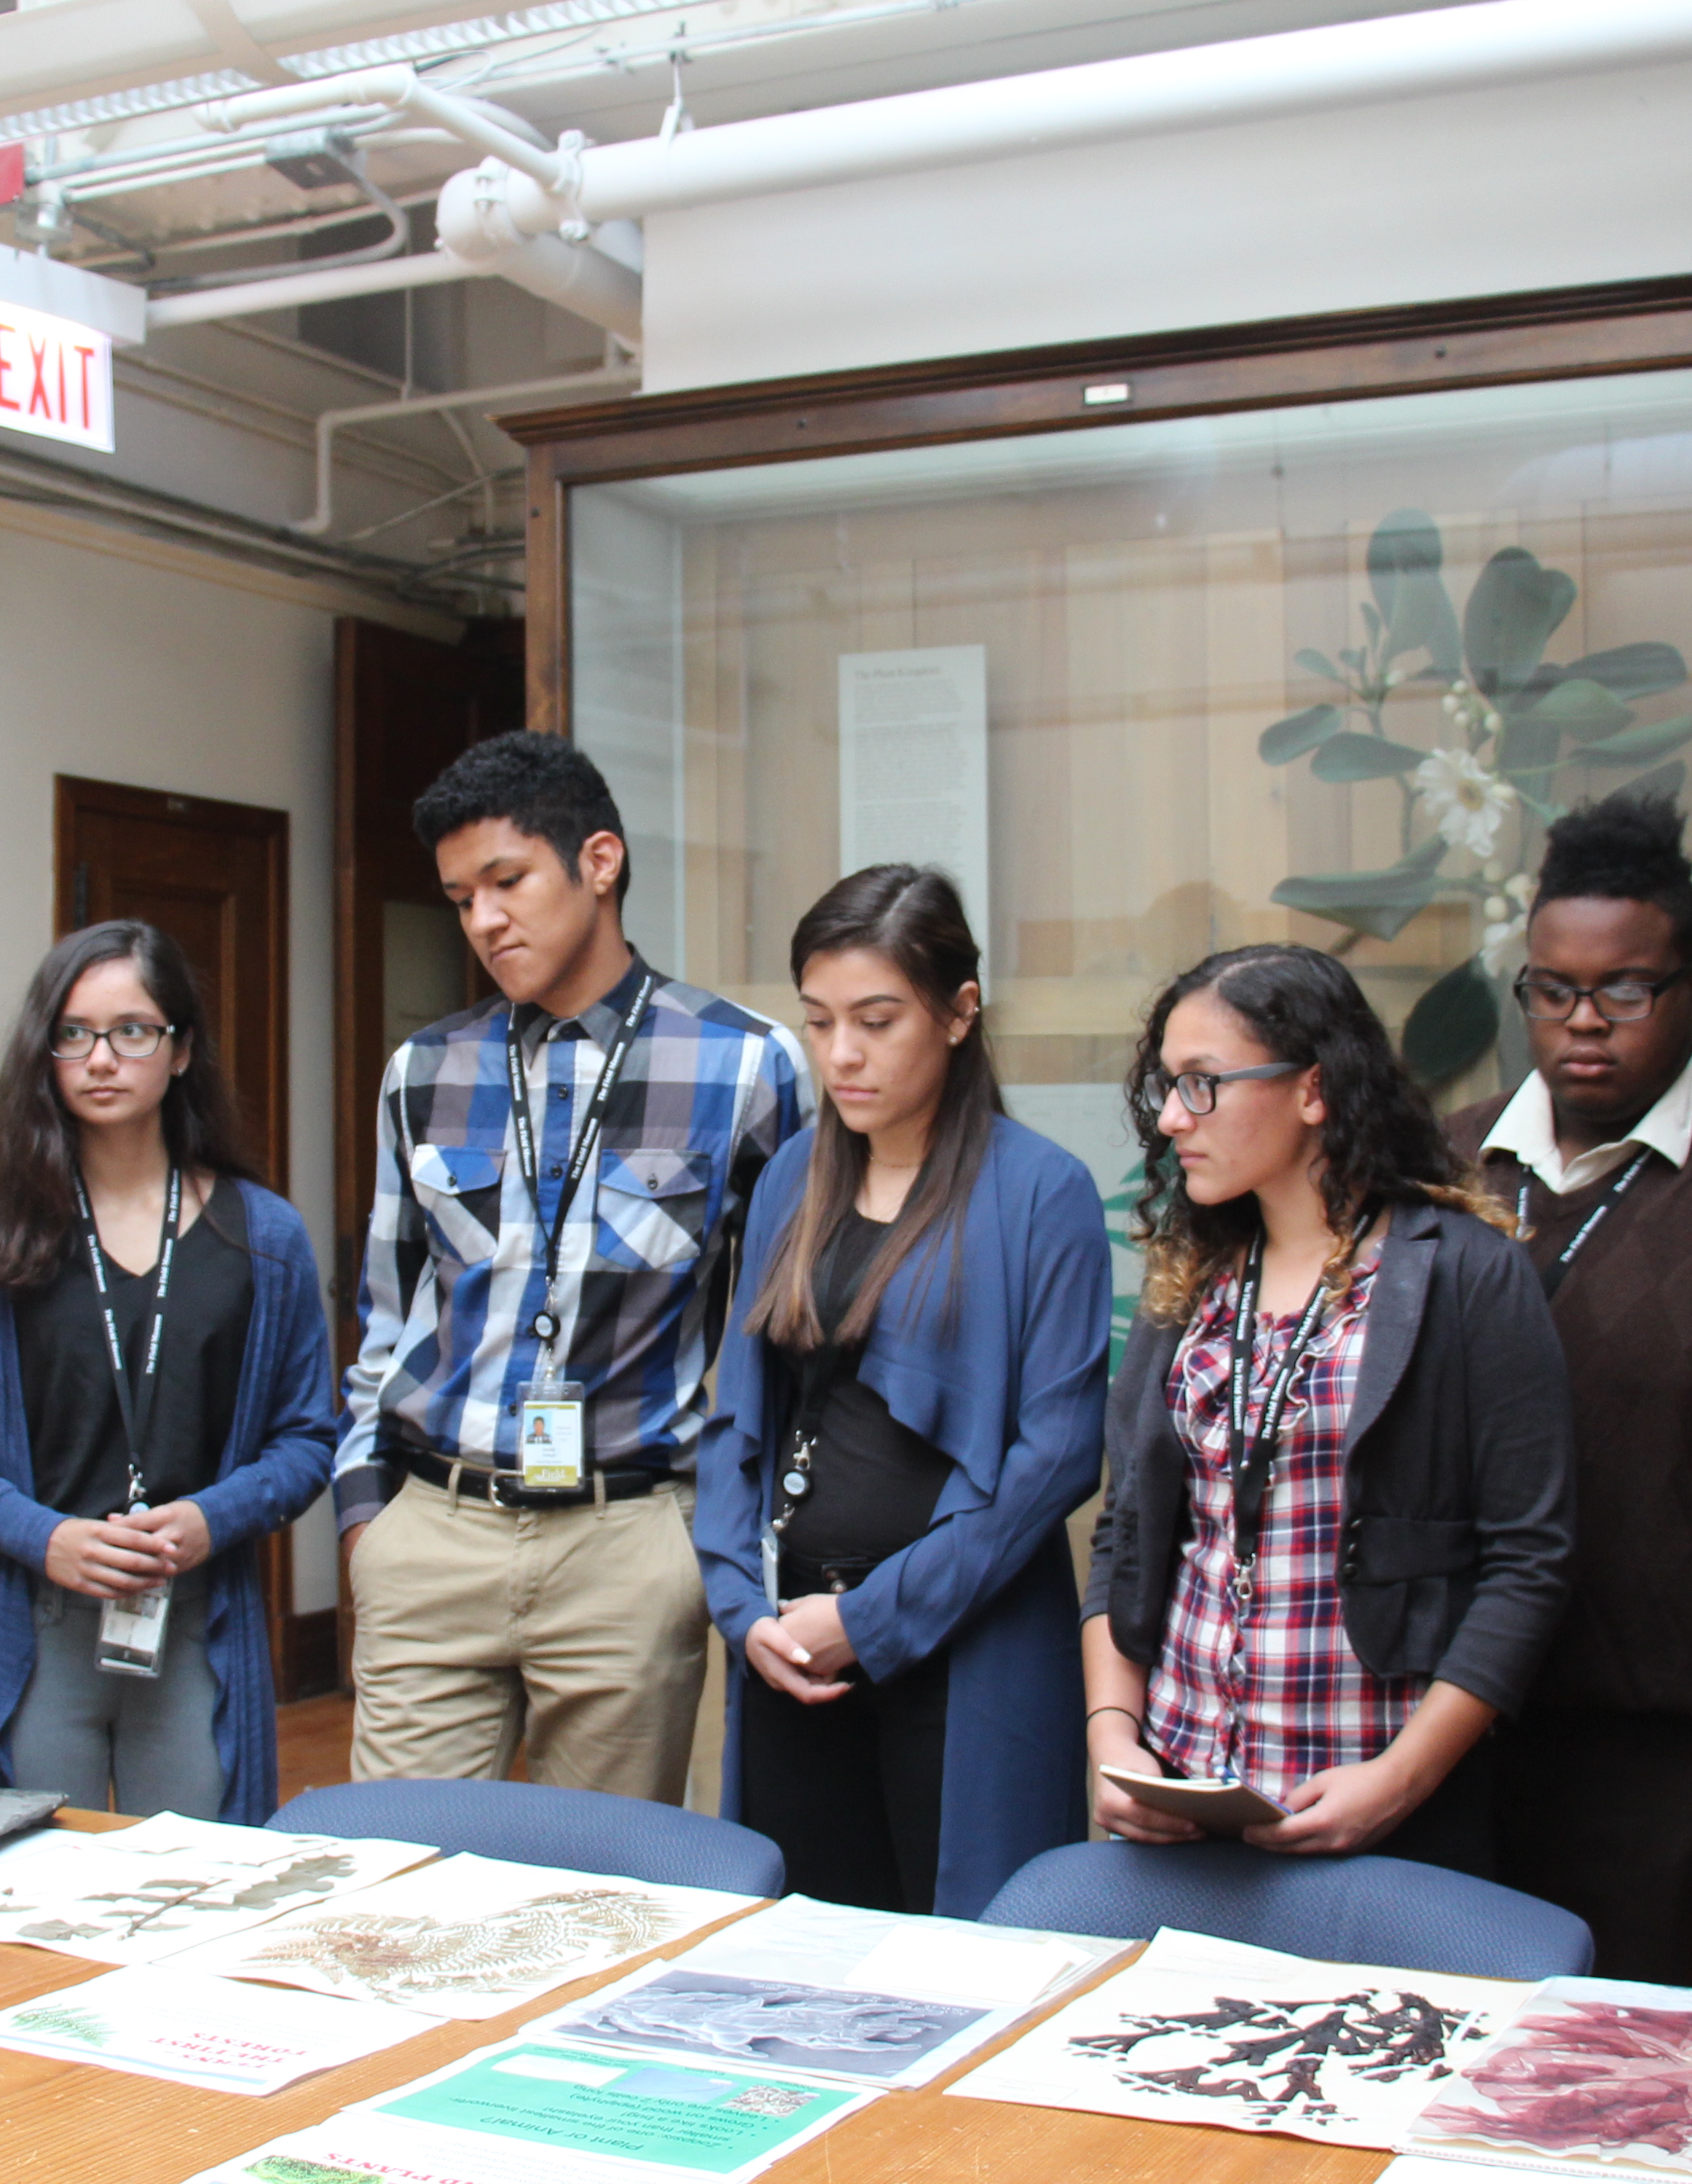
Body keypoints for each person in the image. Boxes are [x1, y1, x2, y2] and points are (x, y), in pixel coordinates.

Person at [337, 731, 804, 1802]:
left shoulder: (745, 1065)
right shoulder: (427, 1068)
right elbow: (387, 1309)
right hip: (434, 1531)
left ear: (599, 861)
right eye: (461, 898)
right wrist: (369, 1518)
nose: (485, 920)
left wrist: (717, 1546)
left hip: (628, 1542)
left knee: (605, 1899)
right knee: (388, 1879)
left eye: (507, 880)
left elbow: (784, 1336)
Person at [1082, 945, 1573, 1874]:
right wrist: (1114, 1740)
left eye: (1202, 1085)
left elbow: (1530, 1563)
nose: (1175, 1118)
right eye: (1166, 1088)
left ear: (1313, 1090)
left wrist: (1402, 1780)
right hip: (1184, 1795)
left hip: (1375, 1805)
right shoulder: (1191, 1279)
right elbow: (1126, 1534)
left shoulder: (1465, 1273)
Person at [693, 866, 1109, 1917]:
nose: (842, 1055)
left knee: (971, 1963)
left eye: (877, 1021)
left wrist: (872, 1621)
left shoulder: (1042, 1191)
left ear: (961, 1012)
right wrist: (742, 1610)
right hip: (791, 1641)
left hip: (964, 1646)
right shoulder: (793, 1176)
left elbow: (1056, 1457)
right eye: (820, 1022)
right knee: (798, 1960)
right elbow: (737, 1419)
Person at [1447, 793, 1692, 1987]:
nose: (1580, 1025)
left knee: (1627, 2103)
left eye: (1622, 991)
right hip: (1441, 1734)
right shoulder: (1438, 1166)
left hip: (1677, 1752)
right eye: (1549, 992)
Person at [0, 922, 337, 1821]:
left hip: (196, 1618)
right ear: (44, 1051)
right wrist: (43, 1536)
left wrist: (213, 1519)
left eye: (134, 1030)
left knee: (197, 1895)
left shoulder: (265, 1237)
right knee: (33, 1894)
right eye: (74, 1033)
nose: (101, 1058)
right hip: (35, 1619)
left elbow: (307, 1437)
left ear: (182, 1050)